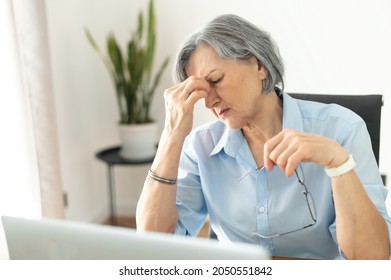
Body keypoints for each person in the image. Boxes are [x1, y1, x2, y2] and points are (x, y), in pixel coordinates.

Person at [136, 14, 391, 260]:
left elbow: (371, 257)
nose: (210, 101)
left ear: (259, 66)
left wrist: (339, 165)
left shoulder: (342, 130)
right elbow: (152, 245)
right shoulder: (201, 147)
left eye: (216, 79)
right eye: (202, 92)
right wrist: (172, 134)